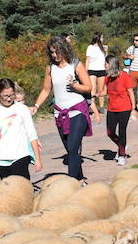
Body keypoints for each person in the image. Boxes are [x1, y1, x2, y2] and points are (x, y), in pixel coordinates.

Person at [31, 35, 94, 181]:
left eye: (57, 51)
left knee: (73, 147)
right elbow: (46, 90)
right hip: (60, 113)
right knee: (71, 150)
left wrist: (74, 85)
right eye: (52, 52)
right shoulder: (50, 68)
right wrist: (36, 106)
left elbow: (88, 87)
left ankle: (70, 184)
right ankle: (80, 180)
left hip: (78, 110)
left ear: (64, 49)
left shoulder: (76, 64)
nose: (54, 55)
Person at [0, 77, 41, 179]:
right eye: (5, 96)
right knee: (8, 192)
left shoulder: (22, 109)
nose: (9, 99)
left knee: (22, 190)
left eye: (11, 95)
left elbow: (32, 134)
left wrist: (38, 158)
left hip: (20, 156)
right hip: (1, 159)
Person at [103, 55, 135, 165]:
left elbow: (131, 93)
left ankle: (122, 155)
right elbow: (105, 92)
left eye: (106, 64)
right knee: (110, 132)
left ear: (111, 64)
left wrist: (134, 108)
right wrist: (94, 94)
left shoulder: (125, 76)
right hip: (112, 108)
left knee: (122, 131)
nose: (104, 66)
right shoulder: (107, 77)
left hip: (125, 108)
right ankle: (122, 145)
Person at [85, 32, 108, 115]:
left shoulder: (103, 48)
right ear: (97, 38)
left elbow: (105, 59)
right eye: (102, 38)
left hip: (101, 70)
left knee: (101, 89)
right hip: (92, 70)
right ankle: (91, 106)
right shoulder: (90, 47)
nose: (103, 39)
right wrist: (85, 71)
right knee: (93, 89)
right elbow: (87, 60)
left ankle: (101, 107)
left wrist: (106, 51)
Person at [124, 33, 138, 114]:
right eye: (134, 40)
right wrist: (128, 56)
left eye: (136, 40)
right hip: (133, 71)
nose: (135, 42)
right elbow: (124, 55)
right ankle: (134, 107)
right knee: (133, 91)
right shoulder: (131, 48)